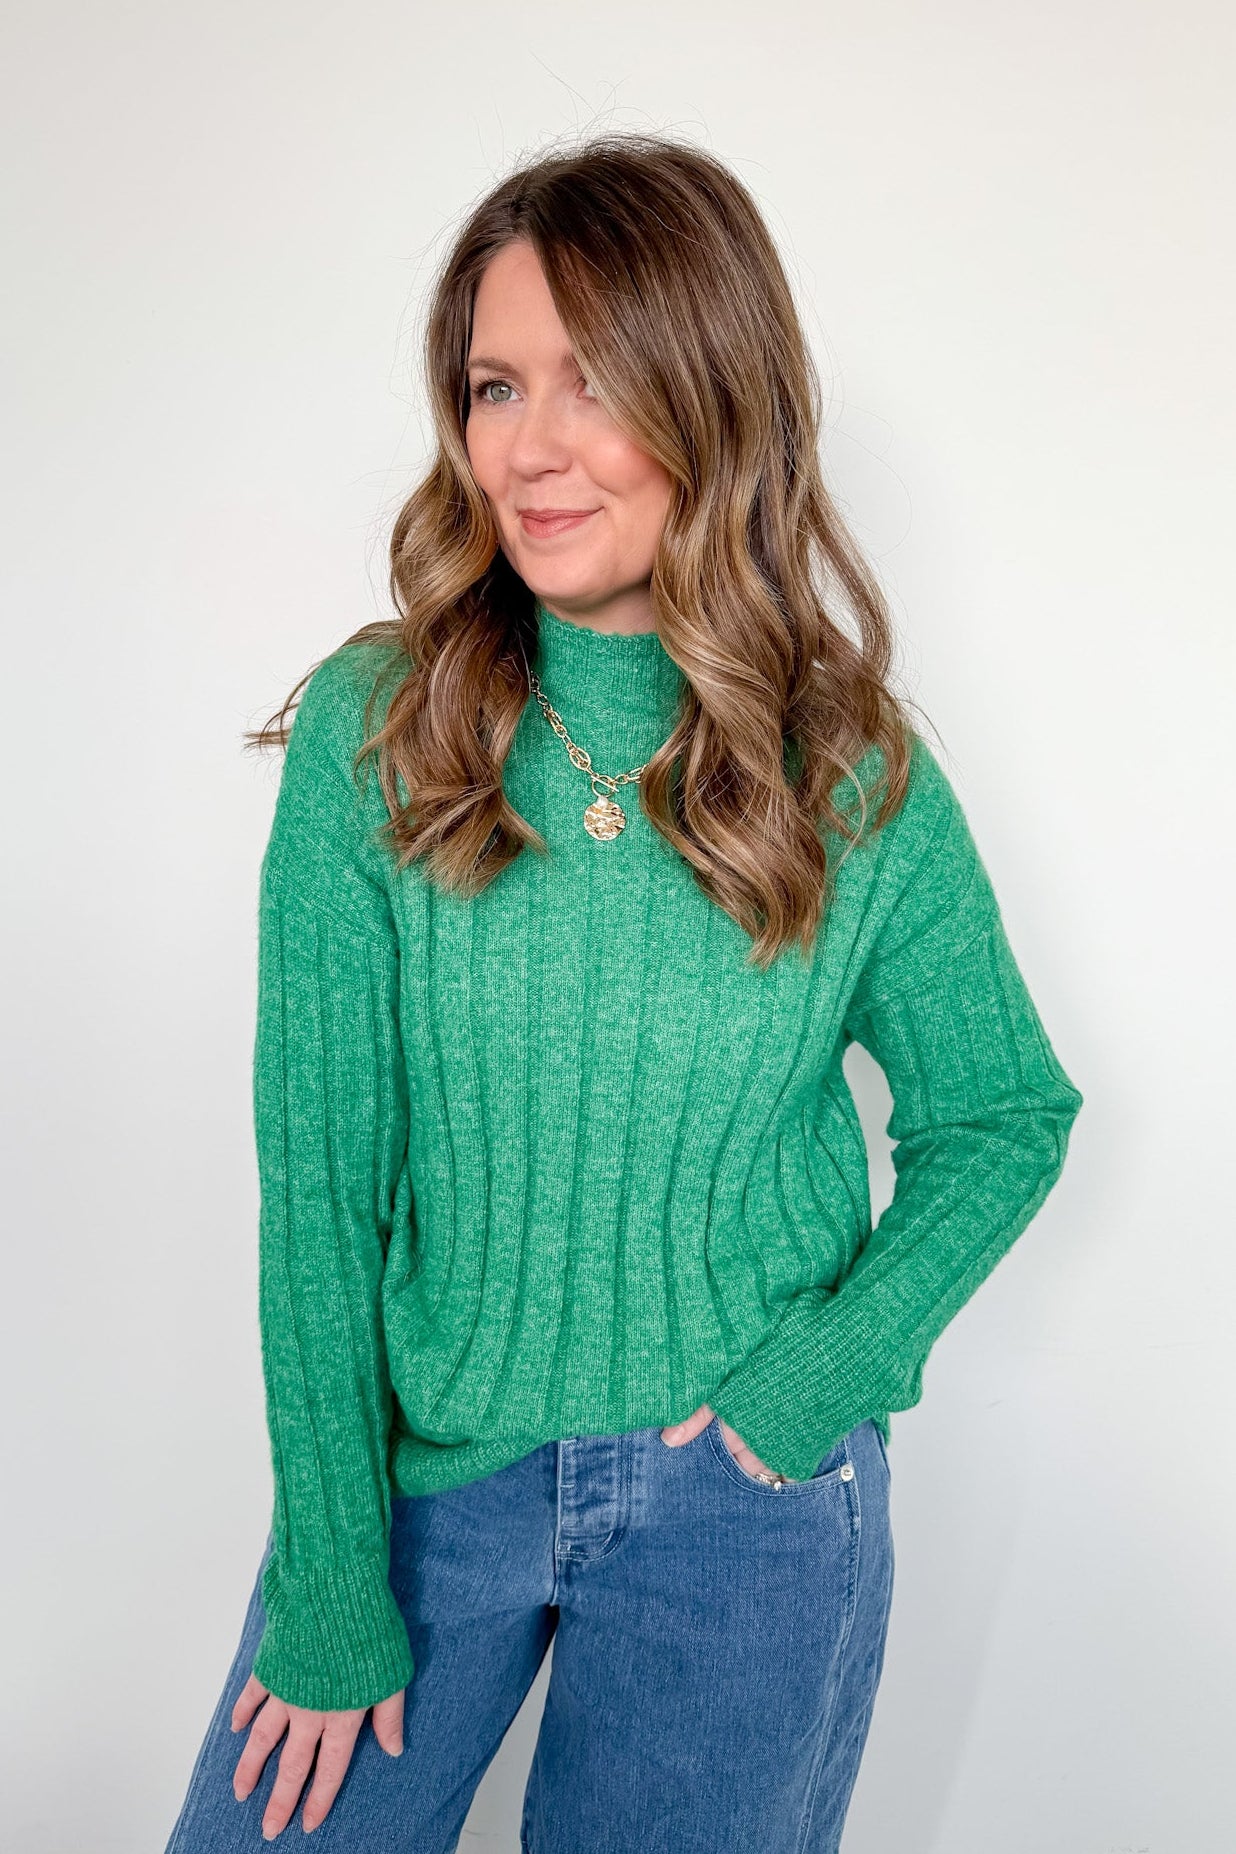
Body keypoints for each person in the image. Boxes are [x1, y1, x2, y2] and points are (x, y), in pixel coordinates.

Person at [162, 132, 1083, 1853]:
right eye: (495, 383)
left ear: (712, 394)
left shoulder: (848, 768)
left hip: (745, 1514)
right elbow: (322, 1203)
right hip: (429, 1492)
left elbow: (1004, 1115)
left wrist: (817, 1383)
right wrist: (334, 1581)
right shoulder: (381, 729)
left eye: (590, 381)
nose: (528, 445)